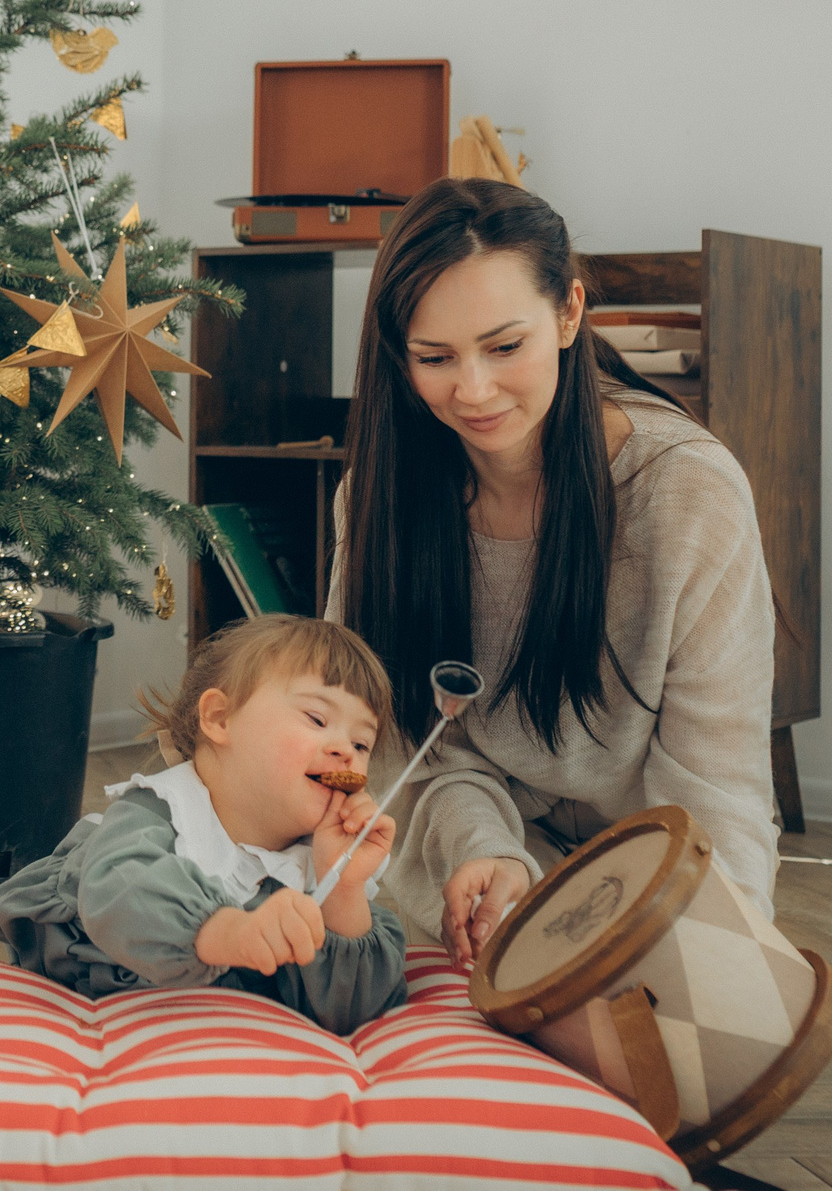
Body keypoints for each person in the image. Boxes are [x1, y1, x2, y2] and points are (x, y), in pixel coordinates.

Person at [326, 177, 778, 965]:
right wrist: (487, 854)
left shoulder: (687, 494)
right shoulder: (378, 495)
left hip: (652, 867)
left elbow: (717, 789)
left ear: (569, 312)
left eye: (506, 346)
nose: (473, 391)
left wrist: (711, 961)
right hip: (470, 857)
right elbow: (403, 748)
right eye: (434, 358)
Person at [0, 614, 409, 1035]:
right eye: (317, 719)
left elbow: (351, 1010)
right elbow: (119, 892)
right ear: (219, 718)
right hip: (92, 980)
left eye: (361, 742)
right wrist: (231, 931)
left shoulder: (311, 862)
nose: (345, 753)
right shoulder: (161, 810)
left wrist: (343, 887)